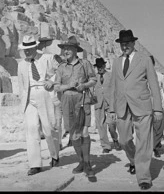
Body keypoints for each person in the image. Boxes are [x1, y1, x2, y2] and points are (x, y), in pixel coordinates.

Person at [109, 30, 163, 190]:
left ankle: (143, 177)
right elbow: (113, 86)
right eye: (122, 43)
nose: (124, 46)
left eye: (127, 43)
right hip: (122, 107)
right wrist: (111, 109)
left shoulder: (144, 60)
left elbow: (154, 85)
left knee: (144, 143)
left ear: (133, 43)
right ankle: (134, 161)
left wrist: (158, 109)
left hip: (142, 106)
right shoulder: (116, 62)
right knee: (124, 140)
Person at [54, 36, 97, 178]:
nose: (65, 51)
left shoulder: (85, 64)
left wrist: (84, 85)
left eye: (68, 48)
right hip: (66, 100)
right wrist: (69, 86)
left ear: (75, 50)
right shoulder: (61, 67)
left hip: (82, 100)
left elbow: (93, 79)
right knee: (74, 134)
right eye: (64, 48)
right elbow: (57, 86)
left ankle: (88, 163)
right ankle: (81, 161)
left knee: (84, 132)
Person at [17, 35, 59, 176]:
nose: (27, 51)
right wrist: (24, 100)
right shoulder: (21, 64)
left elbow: (59, 72)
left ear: (35, 47)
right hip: (30, 98)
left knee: (48, 128)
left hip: (44, 93)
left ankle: (54, 155)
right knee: (31, 129)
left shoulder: (47, 58)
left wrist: (52, 81)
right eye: (25, 49)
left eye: (29, 48)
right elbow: (21, 84)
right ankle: (35, 164)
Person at [37, 36, 63, 150]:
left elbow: (61, 71)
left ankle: (58, 142)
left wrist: (52, 81)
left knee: (56, 119)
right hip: (39, 92)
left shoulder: (52, 57)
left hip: (52, 91)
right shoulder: (32, 59)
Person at [93, 57, 121, 153]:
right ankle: (106, 145)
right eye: (98, 67)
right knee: (101, 125)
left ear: (104, 66)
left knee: (111, 123)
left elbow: (116, 88)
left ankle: (115, 139)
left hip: (110, 103)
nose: (99, 68)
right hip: (98, 103)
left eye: (101, 66)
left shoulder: (110, 75)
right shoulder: (94, 77)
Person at [149, 55, 164, 158]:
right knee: (149, 128)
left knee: (159, 128)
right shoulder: (142, 76)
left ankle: (155, 145)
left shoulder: (160, 76)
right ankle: (154, 147)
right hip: (146, 105)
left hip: (158, 105)